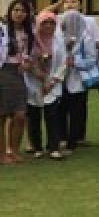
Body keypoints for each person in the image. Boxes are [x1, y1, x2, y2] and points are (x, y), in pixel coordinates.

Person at [25, 11, 67, 159]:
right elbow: (27, 61)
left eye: (52, 23)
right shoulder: (31, 41)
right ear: (38, 24)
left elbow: (63, 63)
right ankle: (37, 147)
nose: (48, 25)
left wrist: (52, 81)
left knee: (53, 115)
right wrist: (40, 76)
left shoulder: (58, 41)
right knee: (34, 116)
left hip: (53, 82)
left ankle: (53, 147)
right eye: (45, 22)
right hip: (34, 82)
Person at [57, 5, 97, 154]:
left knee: (76, 113)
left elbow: (92, 60)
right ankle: (61, 138)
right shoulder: (59, 37)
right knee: (60, 110)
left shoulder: (85, 39)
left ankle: (72, 142)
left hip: (77, 80)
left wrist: (76, 63)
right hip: (60, 80)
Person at [1, 0, 33, 163]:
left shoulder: (28, 32)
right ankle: (2, 154)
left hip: (19, 74)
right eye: (16, 10)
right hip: (4, 71)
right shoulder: (2, 30)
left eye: (22, 11)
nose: (19, 13)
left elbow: (27, 53)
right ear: (10, 11)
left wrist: (27, 62)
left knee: (20, 114)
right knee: (2, 113)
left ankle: (13, 150)